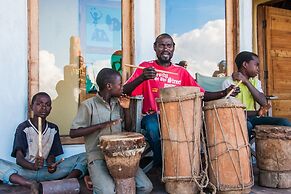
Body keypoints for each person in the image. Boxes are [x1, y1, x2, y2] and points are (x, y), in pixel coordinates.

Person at [123, 33, 238, 167]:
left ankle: (189, 167)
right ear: (155, 48)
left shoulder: (180, 72)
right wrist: (142, 78)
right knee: (153, 128)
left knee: (200, 127)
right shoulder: (145, 67)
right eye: (161, 45)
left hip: (178, 116)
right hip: (152, 115)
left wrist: (224, 92)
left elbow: (200, 94)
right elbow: (124, 90)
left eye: (169, 45)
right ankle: (164, 167)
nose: (165, 49)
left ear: (173, 48)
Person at [70, 68, 153, 194]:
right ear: (109, 86)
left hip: (121, 155)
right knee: (107, 191)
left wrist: (126, 109)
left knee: (145, 187)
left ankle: (97, 179)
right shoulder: (88, 105)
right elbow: (73, 133)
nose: (122, 88)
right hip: (98, 156)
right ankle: (96, 177)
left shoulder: (118, 103)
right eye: (119, 84)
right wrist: (101, 125)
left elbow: (129, 129)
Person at [0, 92, 87, 194]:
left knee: (86, 156)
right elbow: (19, 159)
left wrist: (51, 165)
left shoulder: (53, 128)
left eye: (47, 104)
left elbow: (51, 155)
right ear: (31, 106)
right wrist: (33, 166)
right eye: (39, 104)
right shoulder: (23, 128)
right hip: (26, 171)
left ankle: (65, 182)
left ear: (50, 109)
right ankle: (30, 184)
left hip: (46, 172)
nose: (43, 107)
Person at [222, 51, 290, 135]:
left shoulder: (255, 82)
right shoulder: (229, 83)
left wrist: (246, 82)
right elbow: (232, 112)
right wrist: (257, 113)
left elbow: (264, 103)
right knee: (247, 125)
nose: (258, 69)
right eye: (256, 65)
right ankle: (248, 148)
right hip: (236, 119)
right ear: (245, 65)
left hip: (253, 118)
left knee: (284, 122)